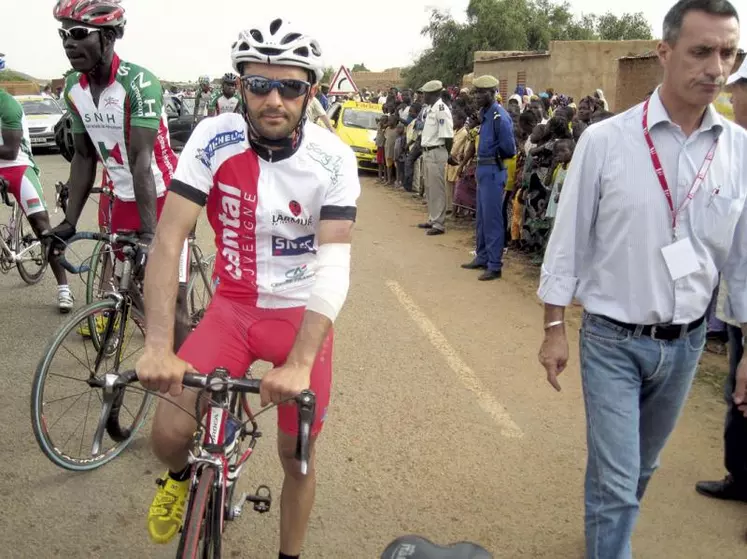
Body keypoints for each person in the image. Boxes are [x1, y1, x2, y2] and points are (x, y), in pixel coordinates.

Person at [136, 19, 360, 558]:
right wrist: (158, 346)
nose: (274, 100)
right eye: (260, 85)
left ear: (311, 91)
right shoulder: (215, 138)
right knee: (166, 436)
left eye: (290, 86)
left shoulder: (333, 158)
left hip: (299, 317)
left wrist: (302, 362)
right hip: (232, 309)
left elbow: (334, 263)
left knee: (296, 456)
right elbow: (170, 237)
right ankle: (181, 477)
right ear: (241, 88)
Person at [537, 1, 745, 557]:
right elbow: (569, 240)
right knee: (616, 477)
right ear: (665, 51)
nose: (717, 68)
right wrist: (555, 325)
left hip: (688, 345)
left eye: (728, 53)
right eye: (702, 51)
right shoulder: (606, 141)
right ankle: (611, 537)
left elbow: (743, 259)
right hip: (612, 341)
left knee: (639, 467)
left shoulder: (739, 152)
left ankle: (608, 531)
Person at [49, 0, 188, 337]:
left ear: (109, 38)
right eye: (63, 34)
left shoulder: (139, 83)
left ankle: (198, 384)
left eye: (79, 33)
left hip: (165, 195)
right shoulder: (73, 89)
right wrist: (69, 220)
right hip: (120, 194)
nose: (69, 42)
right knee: (122, 279)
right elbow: (83, 157)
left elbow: (141, 162)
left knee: (173, 302)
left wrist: (151, 234)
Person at [695, 56, 747, 508]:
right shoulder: (730, 145)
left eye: (739, 86)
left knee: (744, 390)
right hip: (734, 303)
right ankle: (740, 476)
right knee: (737, 390)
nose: (732, 94)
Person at [0, 88, 72, 311]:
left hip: (18, 168)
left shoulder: (8, 105)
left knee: (43, 230)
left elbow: (11, 151)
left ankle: (64, 289)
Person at [461, 75, 516, 280]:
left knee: (492, 219)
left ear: (492, 93)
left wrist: (494, 156)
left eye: (481, 93)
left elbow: (509, 148)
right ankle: (482, 256)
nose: (476, 96)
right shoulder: (485, 115)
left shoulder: (499, 117)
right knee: (482, 218)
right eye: (475, 92)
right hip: (483, 169)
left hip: (494, 169)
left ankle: (494, 264)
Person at [417, 80, 453, 236]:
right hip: (428, 152)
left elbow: (448, 136)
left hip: (437, 151)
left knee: (437, 188)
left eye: (425, 93)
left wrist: (448, 154)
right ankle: (433, 218)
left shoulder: (441, 109)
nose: (422, 96)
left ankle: (439, 223)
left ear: (433, 94)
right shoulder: (431, 109)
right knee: (430, 188)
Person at [446, 109, 468, 217]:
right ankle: (449, 208)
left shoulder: (463, 133)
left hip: (456, 163)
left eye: (455, 120)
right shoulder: (454, 131)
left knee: (456, 188)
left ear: (462, 121)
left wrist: (447, 152)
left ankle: (456, 210)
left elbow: (454, 149)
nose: (453, 122)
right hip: (449, 162)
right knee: (450, 186)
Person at [384, 114, 398, 185]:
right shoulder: (387, 129)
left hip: (395, 151)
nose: (388, 122)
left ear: (395, 121)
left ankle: (397, 181)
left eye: (390, 120)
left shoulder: (397, 130)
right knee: (388, 166)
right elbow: (386, 138)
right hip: (388, 150)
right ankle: (389, 180)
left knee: (396, 166)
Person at [394, 122, 407, 187]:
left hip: (402, 157)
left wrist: (398, 155)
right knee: (398, 169)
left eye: (399, 128)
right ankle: (398, 181)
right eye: (397, 128)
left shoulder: (404, 137)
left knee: (402, 170)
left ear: (403, 129)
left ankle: (402, 183)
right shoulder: (397, 137)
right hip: (397, 156)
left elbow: (402, 148)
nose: (397, 130)